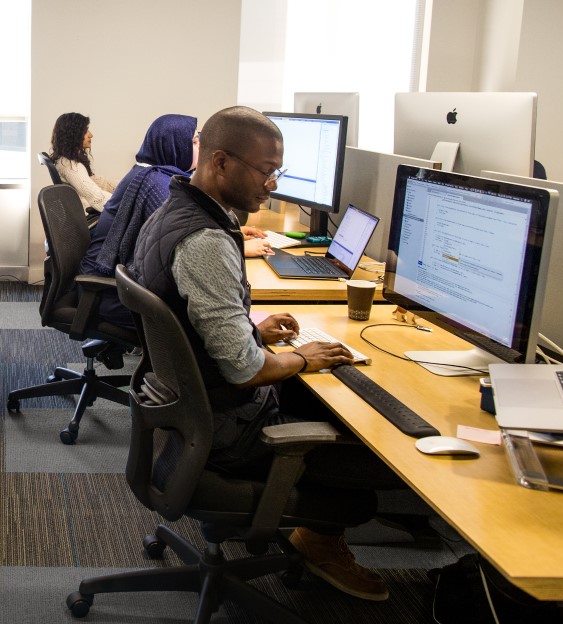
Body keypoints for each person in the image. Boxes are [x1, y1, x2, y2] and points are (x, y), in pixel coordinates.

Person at [128, 106, 399, 603]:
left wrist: (250, 327)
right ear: (220, 163)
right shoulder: (206, 240)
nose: (272, 183)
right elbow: (244, 369)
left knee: (329, 400)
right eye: (266, 170)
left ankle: (315, 538)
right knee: (381, 461)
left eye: (278, 171)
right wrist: (303, 357)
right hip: (232, 432)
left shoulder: (173, 211)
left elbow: (190, 321)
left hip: (193, 414)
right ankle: (318, 540)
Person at [81, 114, 273, 329]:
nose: (200, 146)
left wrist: (232, 231)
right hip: (112, 295)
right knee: (209, 316)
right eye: (193, 141)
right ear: (173, 146)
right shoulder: (158, 184)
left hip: (118, 284)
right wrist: (240, 247)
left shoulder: (150, 173)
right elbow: (181, 238)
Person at [49, 112, 116, 213]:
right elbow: (97, 197)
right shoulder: (70, 166)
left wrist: (126, 186)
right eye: (85, 131)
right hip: (88, 218)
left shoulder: (64, 160)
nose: (91, 135)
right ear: (73, 134)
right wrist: (127, 205)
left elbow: (95, 181)